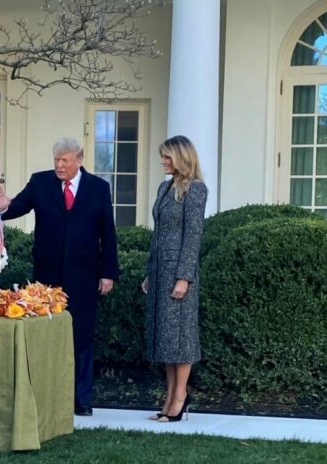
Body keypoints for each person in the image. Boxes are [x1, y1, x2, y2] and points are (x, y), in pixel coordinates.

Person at [0, 138, 119, 416]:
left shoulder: (98, 188)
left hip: (84, 273)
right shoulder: (40, 182)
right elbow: (17, 206)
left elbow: (108, 233)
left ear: (79, 160)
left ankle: (81, 399)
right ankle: (48, 396)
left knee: (81, 335)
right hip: (47, 275)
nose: (59, 165)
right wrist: (1, 207)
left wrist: (108, 272)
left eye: (65, 160)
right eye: (56, 159)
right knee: (47, 333)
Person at [141, 135, 207, 423]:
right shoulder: (164, 186)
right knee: (166, 340)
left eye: (167, 157)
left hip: (180, 274)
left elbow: (193, 236)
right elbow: (158, 235)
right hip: (160, 271)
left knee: (181, 339)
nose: (163, 162)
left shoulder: (196, 189)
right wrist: (149, 272)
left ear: (182, 157)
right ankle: (169, 396)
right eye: (162, 157)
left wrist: (183, 278)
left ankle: (180, 397)